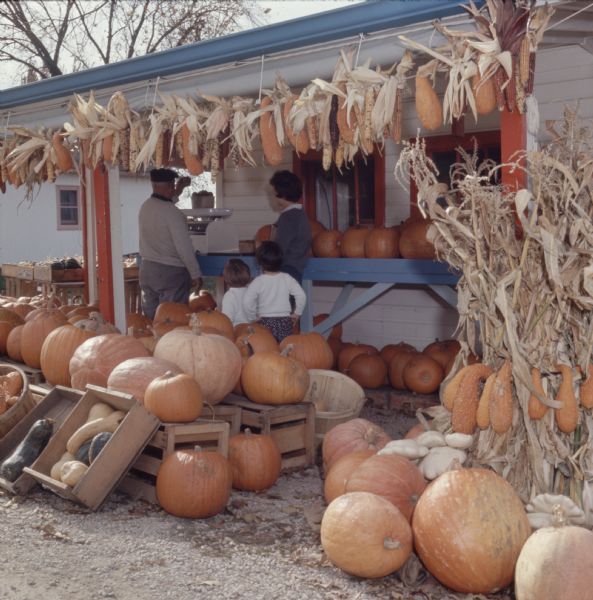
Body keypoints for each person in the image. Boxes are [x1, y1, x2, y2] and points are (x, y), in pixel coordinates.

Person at [138, 168, 202, 319]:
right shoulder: (174, 214)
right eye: (172, 185)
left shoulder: (145, 207)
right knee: (172, 319)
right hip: (170, 274)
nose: (174, 189)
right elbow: (184, 248)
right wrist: (195, 273)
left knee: (151, 319)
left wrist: (180, 188)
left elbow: (165, 205)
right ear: (168, 187)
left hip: (147, 270)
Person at [242, 241, 306, 342]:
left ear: (260, 263)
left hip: (265, 322)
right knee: (283, 349)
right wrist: (297, 313)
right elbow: (301, 295)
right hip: (285, 321)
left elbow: (247, 301)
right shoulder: (287, 278)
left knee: (266, 349)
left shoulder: (258, 281)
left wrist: (252, 317)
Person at [269, 170, 312, 284]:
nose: (273, 196)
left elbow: (279, 248)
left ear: (281, 194)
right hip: (296, 269)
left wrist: (264, 251)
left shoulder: (288, 217)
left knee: (282, 301)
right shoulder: (300, 214)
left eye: (274, 192)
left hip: (285, 269)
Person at [221, 258, 251, 327]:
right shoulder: (251, 292)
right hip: (255, 331)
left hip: (237, 333)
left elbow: (227, 321)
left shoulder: (230, 296)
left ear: (226, 278)